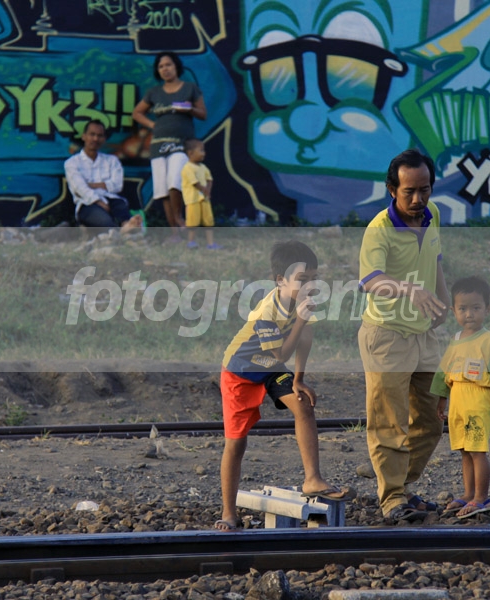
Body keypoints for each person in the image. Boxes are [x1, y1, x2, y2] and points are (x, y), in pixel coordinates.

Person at [216, 241, 353, 531]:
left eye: (314, 278)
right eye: (302, 279)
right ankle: (228, 513)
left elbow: (305, 338)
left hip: (269, 368)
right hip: (240, 373)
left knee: (304, 405)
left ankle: (312, 478)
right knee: (236, 443)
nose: (309, 286)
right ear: (281, 280)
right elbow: (281, 354)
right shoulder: (267, 312)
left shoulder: (301, 303)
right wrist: (301, 321)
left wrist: (299, 379)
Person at [357, 148, 450, 523]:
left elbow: (435, 259)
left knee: (431, 420)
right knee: (389, 423)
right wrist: (411, 290)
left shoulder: (433, 215)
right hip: (386, 336)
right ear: (392, 190)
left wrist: (443, 298)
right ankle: (392, 497)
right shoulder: (379, 229)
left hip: (424, 335)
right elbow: (371, 280)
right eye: (409, 191)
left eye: (424, 189)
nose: (417, 199)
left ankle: (400, 485)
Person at [431, 276, 490, 519]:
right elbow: (444, 372)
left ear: (487, 309)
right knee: (464, 451)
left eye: (476, 308)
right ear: (453, 310)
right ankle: (468, 494)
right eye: (463, 309)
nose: (469, 314)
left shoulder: (489, 340)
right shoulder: (455, 340)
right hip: (458, 400)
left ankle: (481, 497)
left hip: (477, 400)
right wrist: (442, 400)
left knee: (477, 451)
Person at [132, 52, 207, 241]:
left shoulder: (190, 88)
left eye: (168, 65)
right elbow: (137, 113)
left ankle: (179, 218)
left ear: (176, 66)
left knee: (175, 181)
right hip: (158, 145)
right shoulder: (154, 92)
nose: (165, 69)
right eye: (161, 66)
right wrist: (152, 125)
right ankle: (175, 233)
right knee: (162, 189)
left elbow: (203, 114)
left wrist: (189, 109)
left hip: (181, 144)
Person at [64, 120, 142, 233]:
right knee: (105, 222)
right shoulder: (72, 163)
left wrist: (92, 185)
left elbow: (117, 186)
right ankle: (122, 232)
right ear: (84, 136)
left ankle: (127, 226)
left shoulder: (112, 160)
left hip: (114, 201)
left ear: (104, 139)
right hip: (87, 204)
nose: (95, 139)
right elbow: (79, 188)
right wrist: (99, 201)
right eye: (92, 134)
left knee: (123, 212)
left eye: (99, 136)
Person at [180, 138, 220, 249]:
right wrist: (204, 189)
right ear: (190, 153)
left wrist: (208, 190)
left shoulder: (203, 167)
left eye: (204, 150)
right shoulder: (187, 168)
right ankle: (191, 242)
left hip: (204, 199)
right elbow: (195, 183)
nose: (204, 153)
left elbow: (209, 179)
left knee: (208, 220)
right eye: (201, 150)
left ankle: (210, 243)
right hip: (193, 200)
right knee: (193, 221)